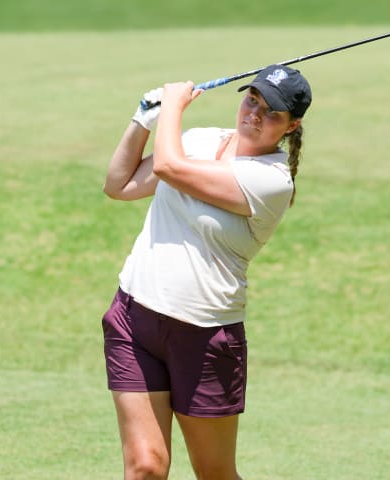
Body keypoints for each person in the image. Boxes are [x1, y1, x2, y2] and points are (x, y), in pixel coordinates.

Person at [101, 64, 312, 480]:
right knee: (145, 466)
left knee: (214, 472)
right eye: (252, 99)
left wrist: (174, 107)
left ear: (291, 126)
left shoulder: (271, 181)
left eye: (272, 112)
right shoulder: (198, 141)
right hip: (135, 317)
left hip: (205, 336)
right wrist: (143, 118)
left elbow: (169, 169)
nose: (255, 113)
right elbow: (119, 185)